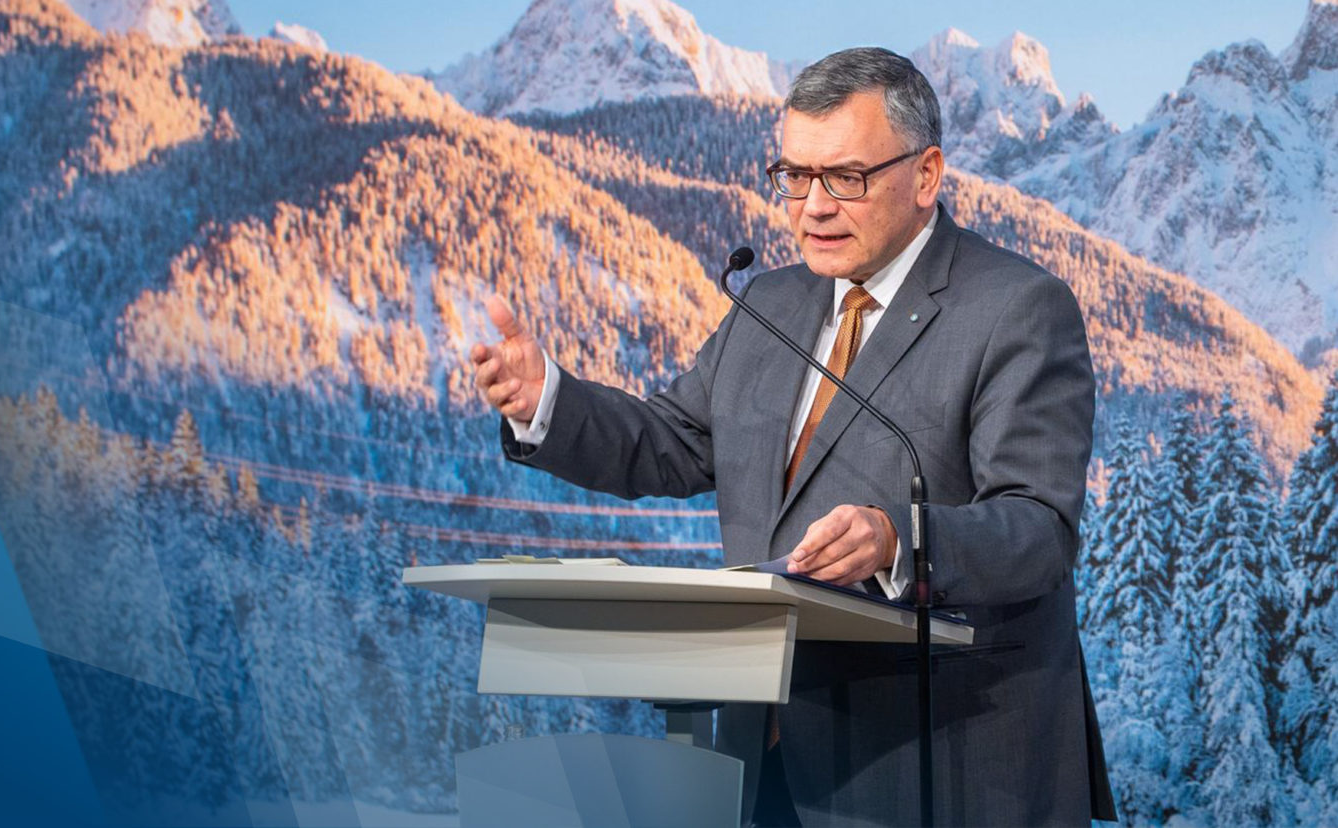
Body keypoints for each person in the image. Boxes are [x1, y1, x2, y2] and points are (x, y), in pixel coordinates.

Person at [470, 46, 1114, 828]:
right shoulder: (769, 303)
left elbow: (1037, 527)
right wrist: (548, 403)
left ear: (927, 173)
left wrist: (896, 542)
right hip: (765, 751)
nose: (812, 206)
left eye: (845, 177)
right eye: (794, 176)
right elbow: (674, 441)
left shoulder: (1016, 307)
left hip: (937, 764)